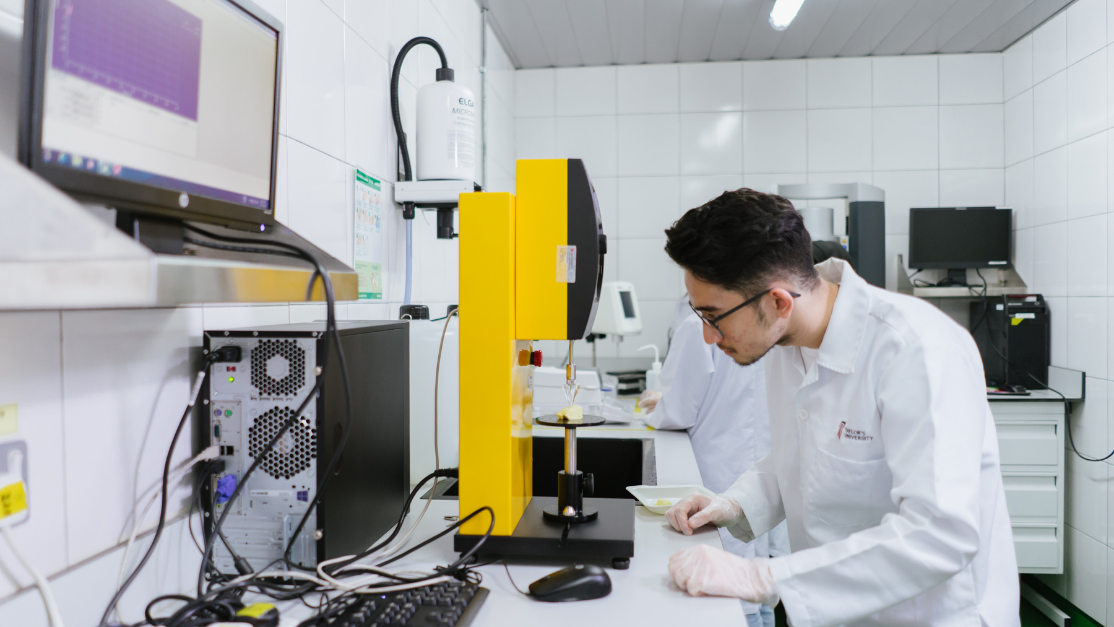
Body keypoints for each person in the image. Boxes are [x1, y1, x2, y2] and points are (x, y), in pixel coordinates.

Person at [660, 188, 1019, 626]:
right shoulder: (786, 343)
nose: (708, 338)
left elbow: (940, 533)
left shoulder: (915, 350)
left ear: (778, 302)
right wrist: (733, 504)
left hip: (930, 616)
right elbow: (804, 456)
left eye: (713, 316)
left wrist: (761, 576)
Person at [639, 295, 781, 627]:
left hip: (717, 469)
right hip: (750, 472)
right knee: (751, 592)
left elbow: (677, 412)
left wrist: (659, 406)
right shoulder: (761, 321)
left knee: (731, 585)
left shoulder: (697, 327)